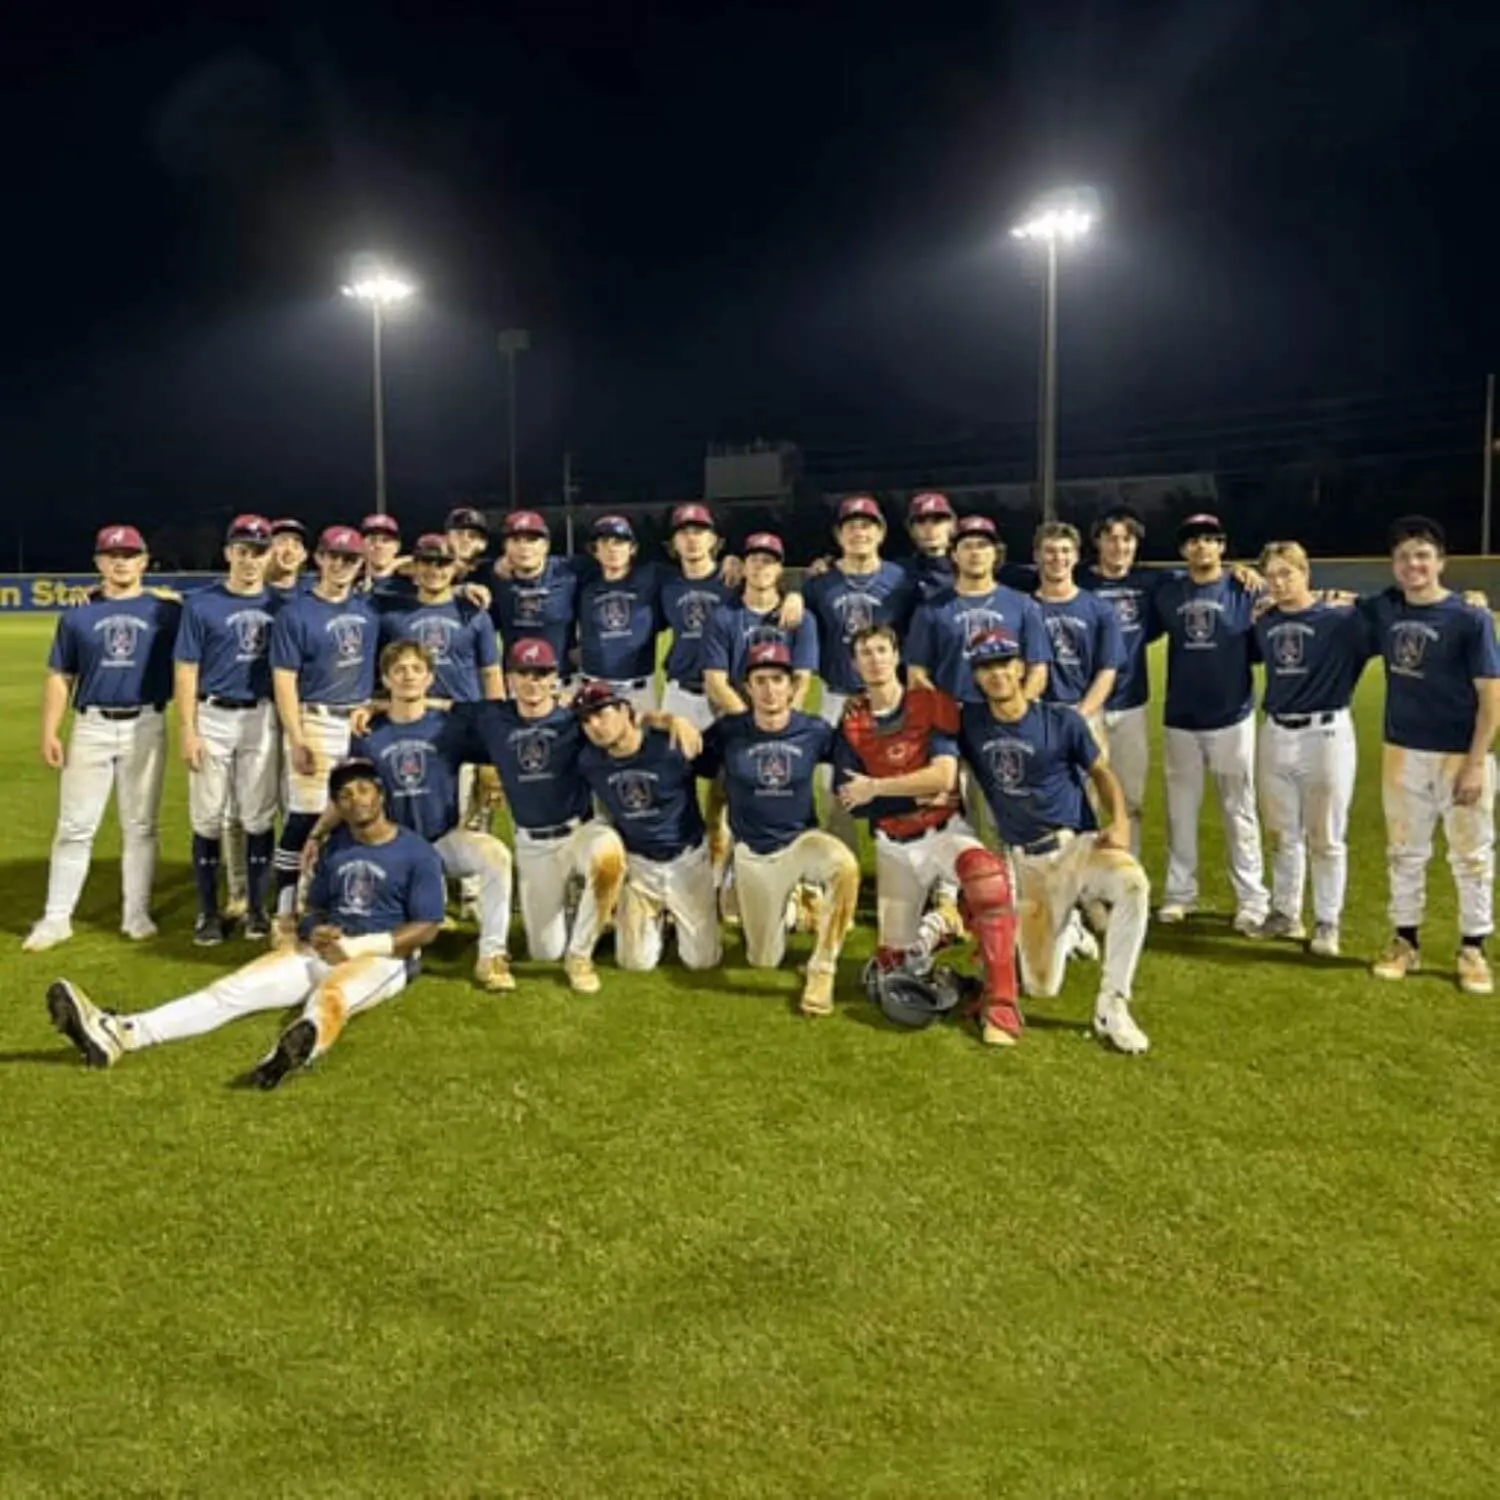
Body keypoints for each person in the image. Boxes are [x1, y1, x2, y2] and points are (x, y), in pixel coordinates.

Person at [45, 757, 446, 1090]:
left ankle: (285, 1057)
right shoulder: (335, 849)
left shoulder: (417, 852)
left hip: (383, 960)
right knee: (230, 990)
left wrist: (358, 947)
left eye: (362, 789)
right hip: (320, 949)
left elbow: (427, 927)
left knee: (330, 1000)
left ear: (380, 793)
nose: (354, 798)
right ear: (337, 806)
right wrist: (314, 930)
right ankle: (122, 1032)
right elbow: (314, 911)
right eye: (344, 794)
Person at [458, 638, 701, 991]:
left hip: (579, 831)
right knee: (544, 951)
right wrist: (374, 706)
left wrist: (667, 717)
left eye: (541, 674)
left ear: (554, 678)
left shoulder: (575, 718)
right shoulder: (492, 717)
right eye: (523, 674)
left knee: (607, 856)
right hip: (531, 842)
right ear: (510, 678)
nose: (532, 683)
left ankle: (581, 955)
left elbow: (620, 719)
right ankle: (586, 916)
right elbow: (437, 709)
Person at [957, 630, 1151, 1054]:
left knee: (1133, 886)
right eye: (987, 666)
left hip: (1077, 845)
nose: (998, 673)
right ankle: (1073, 927)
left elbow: (1101, 772)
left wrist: (1119, 822)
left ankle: (1113, 1005)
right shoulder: (969, 722)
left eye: (1005, 662)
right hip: (1028, 864)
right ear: (976, 677)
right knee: (1040, 986)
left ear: (1021, 667)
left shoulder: (1061, 720)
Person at [307, 640, 516, 991]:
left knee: (496, 857)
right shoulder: (369, 734)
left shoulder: (449, 726)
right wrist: (315, 834)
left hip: (442, 840)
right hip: (394, 848)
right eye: (399, 670)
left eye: (417, 670)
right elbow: (348, 794)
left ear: (429, 678)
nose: (408, 677)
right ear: (385, 679)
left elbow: (500, 722)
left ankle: (492, 955)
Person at [1360, 516, 1499, 994]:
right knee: (1404, 850)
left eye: (1421, 555)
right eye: (1402, 557)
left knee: (1472, 853)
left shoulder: (1470, 618)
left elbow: (1490, 699)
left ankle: (1473, 948)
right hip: (1402, 751)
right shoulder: (1385, 609)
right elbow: (1332, 603)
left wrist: (1478, 762)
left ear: (1440, 562)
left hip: (1458, 755)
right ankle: (1405, 942)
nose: (1412, 564)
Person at [24, 525, 179, 953]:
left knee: (141, 825)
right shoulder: (77, 615)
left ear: (145, 561)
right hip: (91, 724)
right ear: (98, 563)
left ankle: (136, 913)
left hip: (146, 721)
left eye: (130, 554)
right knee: (75, 826)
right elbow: (61, 676)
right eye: (112, 555)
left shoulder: (167, 612)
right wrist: (49, 730)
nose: (121, 561)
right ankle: (57, 918)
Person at [695, 642, 860, 1015]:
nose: (770, 690)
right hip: (753, 853)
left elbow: (855, 763)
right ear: (747, 688)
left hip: (801, 841)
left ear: (792, 686)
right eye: (761, 680)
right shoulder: (728, 731)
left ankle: (822, 967)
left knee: (844, 866)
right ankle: (796, 908)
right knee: (764, 960)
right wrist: (669, 723)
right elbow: (696, 764)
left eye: (778, 680)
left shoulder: (815, 731)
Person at [1149, 513, 1269, 933]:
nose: (1201, 547)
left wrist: (1253, 576)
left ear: (1222, 546)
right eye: (1193, 541)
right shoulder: (1169, 591)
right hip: (1180, 717)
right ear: (1183, 550)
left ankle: (1253, 899)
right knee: (1181, 811)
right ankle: (1180, 895)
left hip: (1232, 716)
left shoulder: (1246, 589)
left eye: (1210, 540)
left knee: (1240, 810)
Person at [1252, 541, 1374, 954]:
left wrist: (1471, 600)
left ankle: (1327, 921)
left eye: (1288, 573)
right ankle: (1285, 912)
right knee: (1281, 832)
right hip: (1275, 730)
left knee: (1325, 835)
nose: (1280, 582)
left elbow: (1387, 617)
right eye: (1272, 575)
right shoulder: (1264, 621)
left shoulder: (1340, 620)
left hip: (1325, 733)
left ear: (1307, 574)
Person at [172, 513, 282, 946]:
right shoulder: (202, 604)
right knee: (208, 817)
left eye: (258, 551)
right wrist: (187, 728)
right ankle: (207, 912)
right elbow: (186, 669)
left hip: (262, 715)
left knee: (257, 815)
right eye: (242, 550)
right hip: (212, 714)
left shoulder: (282, 604)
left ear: (269, 555)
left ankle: (256, 907)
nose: (250, 559)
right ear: (228, 553)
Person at [833, 624, 970, 958]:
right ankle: (940, 926)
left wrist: (877, 788)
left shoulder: (929, 704)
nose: (875, 659)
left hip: (944, 832)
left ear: (897, 656)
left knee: (989, 882)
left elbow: (943, 777)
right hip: (894, 846)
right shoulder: (851, 723)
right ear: (854, 664)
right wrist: (912, 797)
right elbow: (853, 801)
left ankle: (999, 995)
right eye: (865, 653)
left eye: (882, 650)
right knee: (894, 958)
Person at [268, 526, 380, 930]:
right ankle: (283, 908)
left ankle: (329, 901)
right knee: (306, 815)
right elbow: (284, 679)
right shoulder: (296, 613)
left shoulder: (368, 609)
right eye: (333, 556)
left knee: (354, 813)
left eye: (349, 559)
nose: (340, 564)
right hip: (315, 718)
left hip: (359, 722)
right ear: (319, 558)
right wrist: (296, 737)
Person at [574, 681, 722, 972]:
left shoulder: (671, 744)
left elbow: (722, 769)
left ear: (625, 711)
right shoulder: (589, 760)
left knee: (702, 961)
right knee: (635, 963)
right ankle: (648, 916)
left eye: (602, 714)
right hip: (639, 866)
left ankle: (685, 914)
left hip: (687, 860)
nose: (595, 726)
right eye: (586, 720)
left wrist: (669, 719)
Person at [802, 494, 919, 851]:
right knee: (830, 785)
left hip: (887, 697)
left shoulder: (901, 579)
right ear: (839, 537)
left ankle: (900, 861)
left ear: (880, 534)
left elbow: (915, 634)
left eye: (867, 526)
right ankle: (842, 869)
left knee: (896, 779)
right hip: (837, 694)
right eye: (850, 527)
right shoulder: (820, 583)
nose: (859, 533)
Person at [1075, 507, 1167, 855]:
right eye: (1110, 538)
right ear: (1097, 541)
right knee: (1084, 796)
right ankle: (1083, 880)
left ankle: (1127, 871)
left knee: (1130, 797)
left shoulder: (1150, 583)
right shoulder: (1079, 579)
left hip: (1131, 705)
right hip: (1085, 705)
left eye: (1126, 539)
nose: (1119, 546)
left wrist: (1242, 575)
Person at [905, 515, 1051, 705]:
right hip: (952, 718)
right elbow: (916, 674)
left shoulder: (1024, 605)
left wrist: (1016, 709)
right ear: (954, 555)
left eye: (982, 545)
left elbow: (1038, 669)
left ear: (996, 554)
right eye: (967, 546)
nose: (975, 553)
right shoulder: (931, 609)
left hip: (1006, 717)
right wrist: (943, 712)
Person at [376, 533, 502, 704]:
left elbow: (490, 673)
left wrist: (495, 717)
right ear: (414, 566)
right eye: (426, 562)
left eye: (443, 563)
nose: (434, 571)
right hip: (414, 715)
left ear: (455, 567)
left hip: (463, 714)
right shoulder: (393, 615)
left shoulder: (474, 614)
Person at [701, 533, 818, 716]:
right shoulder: (721, 617)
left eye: (767, 561)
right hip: (736, 715)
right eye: (753, 560)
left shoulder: (802, 618)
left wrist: (784, 721)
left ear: (779, 569)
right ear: (744, 568)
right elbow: (715, 681)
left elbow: (801, 680)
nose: (760, 566)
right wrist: (750, 725)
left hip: (783, 717)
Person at [1031, 521, 1128, 724]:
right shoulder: (1023, 608)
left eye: (1065, 551)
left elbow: (1107, 670)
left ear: (1076, 556)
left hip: (1085, 711)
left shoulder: (1100, 609)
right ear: (1037, 556)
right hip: (1038, 713)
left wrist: (1080, 716)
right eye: (1050, 551)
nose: (1058, 558)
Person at [577, 514, 666, 713]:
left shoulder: (652, 577)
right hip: (595, 688)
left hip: (638, 690)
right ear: (595, 551)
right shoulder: (583, 586)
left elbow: (694, 573)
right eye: (604, 543)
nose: (612, 549)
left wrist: (731, 561)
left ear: (632, 549)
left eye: (619, 542)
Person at [660, 503, 736, 731]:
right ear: (674, 543)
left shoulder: (733, 580)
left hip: (726, 692)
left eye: (699, 532)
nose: (691, 539)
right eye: (683, 533)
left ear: (714, 540)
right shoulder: (667, 586)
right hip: (680, 694)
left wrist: (793, 596)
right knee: (673, 764)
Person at [489, 510, 581, 678]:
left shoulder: (567, 571)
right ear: (505, 546)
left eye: (532, 540)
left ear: (546, 545)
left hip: (560, 681)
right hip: (515, 682)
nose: (524, 547)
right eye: (516, 540)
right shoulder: (493, 579)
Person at [361, 513, 411, 598]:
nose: (378, 545)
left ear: (397, 547)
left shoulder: (412, 586)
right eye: (372, 540)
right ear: (361, 545)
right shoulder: (348, 584)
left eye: (386, 540)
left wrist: (396, 564)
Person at [444, 506, 492, 582]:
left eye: (472, 536)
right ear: (446, 538)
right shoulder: (431, 567)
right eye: (459, 534)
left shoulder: (492, 573)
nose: (465, 540)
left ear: (483, 544)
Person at [265, 518, 311, 596]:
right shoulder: (253, 592)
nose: (289, 551)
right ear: (267, 550)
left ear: (304, 555)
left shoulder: (314, 591)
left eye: (296, 545)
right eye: (282, 543)